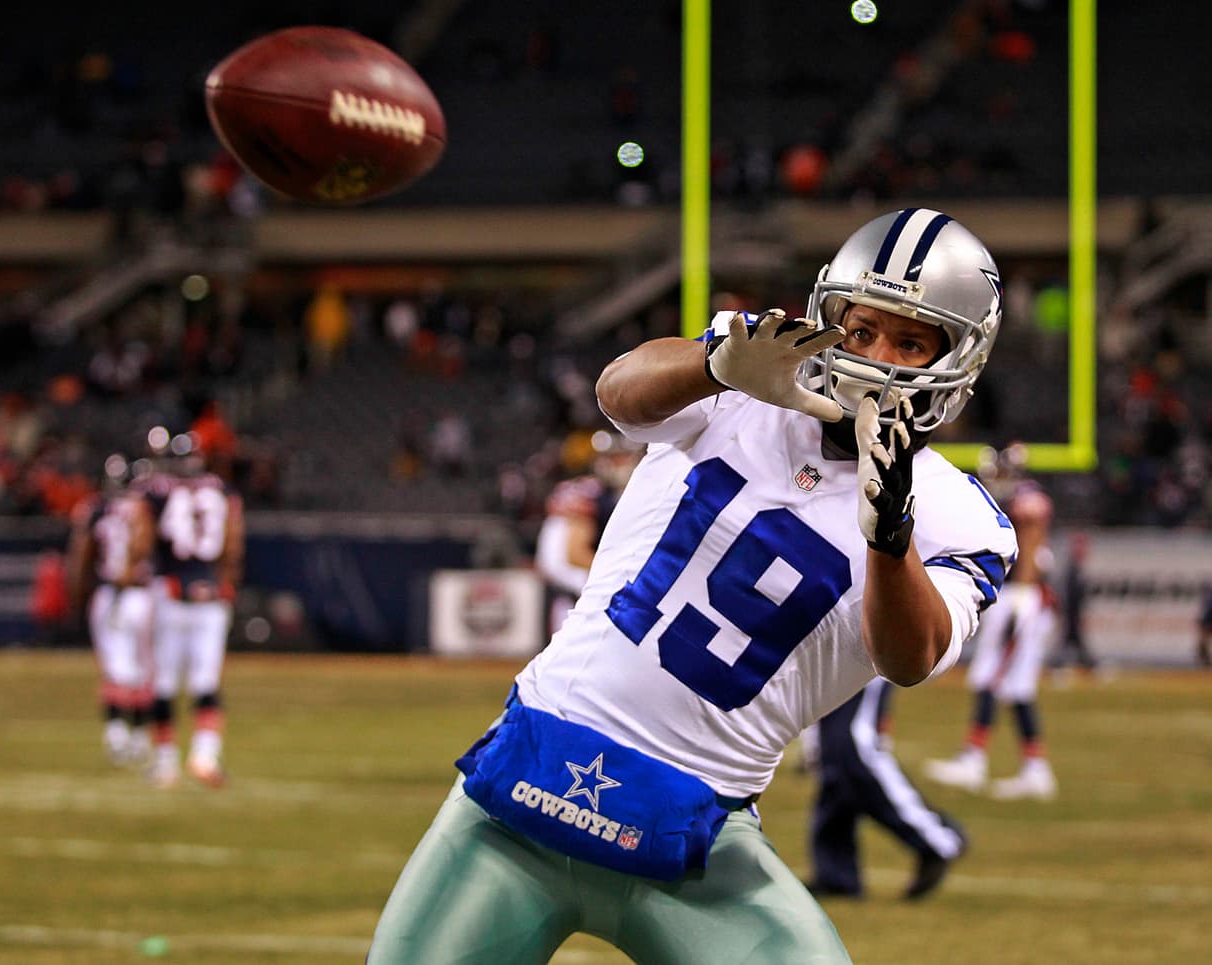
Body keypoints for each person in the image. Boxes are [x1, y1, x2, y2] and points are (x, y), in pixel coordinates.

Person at [369, 208, 1016, 964]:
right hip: (525, 794)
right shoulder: (752, 375)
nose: (876, 358)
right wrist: (711, 363)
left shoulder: (958, 516)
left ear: (957, 361)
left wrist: (889, 532)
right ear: (826, 316)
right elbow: (619, 391)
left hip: (698, 835)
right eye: (863, 329)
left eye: (910, 342)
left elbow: (911, 656)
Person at [924, 444, 1059, 801]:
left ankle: (974, 759)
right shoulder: (1021, 499)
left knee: (988, 677)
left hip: (1021, 600)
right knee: (1016, 688)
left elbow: (1030, 550)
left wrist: (1021, 598)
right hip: (1024, 600)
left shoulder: (1028, 501)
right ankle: (1035, 768)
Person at [134, 430, 245, 788]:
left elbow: (141, 539)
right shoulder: (223, 492)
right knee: (207, 681)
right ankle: (205, 754)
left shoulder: (156, 491)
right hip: (211, 596)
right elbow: (233, 545)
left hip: (171, 592)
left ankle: (166, 763)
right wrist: (225, 584)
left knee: (163, 681)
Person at [807, 677, 967, 902]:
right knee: (834, 760)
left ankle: (938, 838)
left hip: (862, 657)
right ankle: (837, 874)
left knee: (854, 749)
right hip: (829, 658)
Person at [66, 453, 156, 766]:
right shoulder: (146, 507)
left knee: (115, 667)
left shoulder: (95, 509)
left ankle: (116, 734)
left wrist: (75, 595)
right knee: (144, 668)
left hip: (109, 593)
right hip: (141, 594)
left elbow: (80, 556)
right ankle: (140, 735)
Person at [534, 431, 643, 635]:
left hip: (574, 583)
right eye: (614, 458)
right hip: (576, 584)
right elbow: (574, 554)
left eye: (623, 457)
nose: (620, 464)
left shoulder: (611, 494)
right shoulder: (592, 494)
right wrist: (623, 572)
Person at [1051, 530, 1096, 673]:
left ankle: (1060, 665)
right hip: (1070, 613)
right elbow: (1066, 594)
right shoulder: (1071, 570)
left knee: (1072, 640)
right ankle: (1088, 665)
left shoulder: (1076, 568)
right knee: (1071, 639)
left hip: (1073, 613)